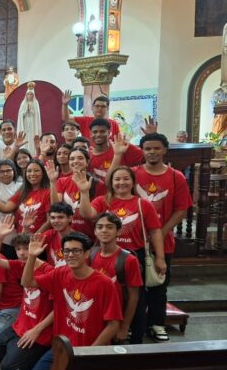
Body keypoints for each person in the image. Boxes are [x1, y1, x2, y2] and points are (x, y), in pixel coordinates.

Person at [77, 166, 166, 344]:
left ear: (133, 182)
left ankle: (134, 338)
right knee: (108, 298)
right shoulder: (103, 201)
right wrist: (84, 192)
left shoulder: (143, 204)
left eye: (126, 179)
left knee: (135, 299)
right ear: (111, 183)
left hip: (134, 256)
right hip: (106, 255)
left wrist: (160, 258)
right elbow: (86, 213)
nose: (121, 182)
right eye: (117, 179)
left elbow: (155, 232)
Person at [24, 232, 123, 370]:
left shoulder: (104, 283)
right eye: (67, 251)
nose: (70, 255)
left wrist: (90, 353)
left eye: (76, 250)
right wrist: (31, 256)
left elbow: (113, 325)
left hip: (89, 350)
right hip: (63, 348)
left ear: (87, 253)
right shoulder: (60, 273)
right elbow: (27, 281)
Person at [132, 132, 192, 341]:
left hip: (162, 243)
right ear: (142, 151)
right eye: (148, 148)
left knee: (158, 285)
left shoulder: (176, 176)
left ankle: (157, 324)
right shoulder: (133, 174)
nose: (152, 152)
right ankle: (135, 325)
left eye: (157, 148)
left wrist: (159, 233)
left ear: (165, 150)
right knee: (134, 287)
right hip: (134, 242)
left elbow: (181, 209)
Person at [0, 216, 54, 370]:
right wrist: (0, 236)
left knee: (9, 369)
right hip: (20, 325)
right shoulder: (20, 265)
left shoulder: (49, 271)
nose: (22, 252)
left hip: (39, 331)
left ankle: (35, 353)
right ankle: (17, 351)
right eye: (18, 249)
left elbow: (59, 308)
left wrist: (36, 330)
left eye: (26, 248)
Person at [90, 213, 143, 344]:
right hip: (94, 317)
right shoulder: (91, 254)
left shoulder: (129, 260)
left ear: (118, 231)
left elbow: (134, 296)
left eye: (109, 227)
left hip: (115, 319)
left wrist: (124, 327)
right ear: (95, 231)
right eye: (100, 227)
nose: (104, 230)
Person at [0, 160, 51, 235]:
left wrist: (35, 237)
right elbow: (5, 208)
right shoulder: (22, 191)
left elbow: (50, 220)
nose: (32, 174)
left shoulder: (48, 193)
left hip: (38, 240)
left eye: (36, 170)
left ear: (43, 173)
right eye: (29, 171)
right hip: (21, 238)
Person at [49, 147, 106, 239]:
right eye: (72, 159)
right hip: (67, 234)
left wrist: (84, 191)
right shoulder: (62, 181)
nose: (75, 161)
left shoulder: (98, 183)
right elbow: (56, 206)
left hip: (90, 235)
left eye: (80, 158)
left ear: (87, 162)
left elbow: (98, 214)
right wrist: (52, 181)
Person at [38, 201, 75, 269]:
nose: (56, 221)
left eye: (60, 217)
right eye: (53, 218)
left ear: (70, 218)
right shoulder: (50, 234)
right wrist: (26, 228)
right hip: (51, 275)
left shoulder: (78, 239)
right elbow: (30, 244)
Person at [17, 83, 42, 153]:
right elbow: (20, 114)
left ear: (33, 95)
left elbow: (37, 114)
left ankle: (34, 153)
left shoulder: (35, 102)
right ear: (26, 95)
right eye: (28, 94)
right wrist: (25, 111)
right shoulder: (23, 103)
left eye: (31, 94)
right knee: (25, 138)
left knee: (32, 138)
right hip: (25, 124)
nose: (29, 96)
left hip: (33, 125)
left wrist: (31, 110)